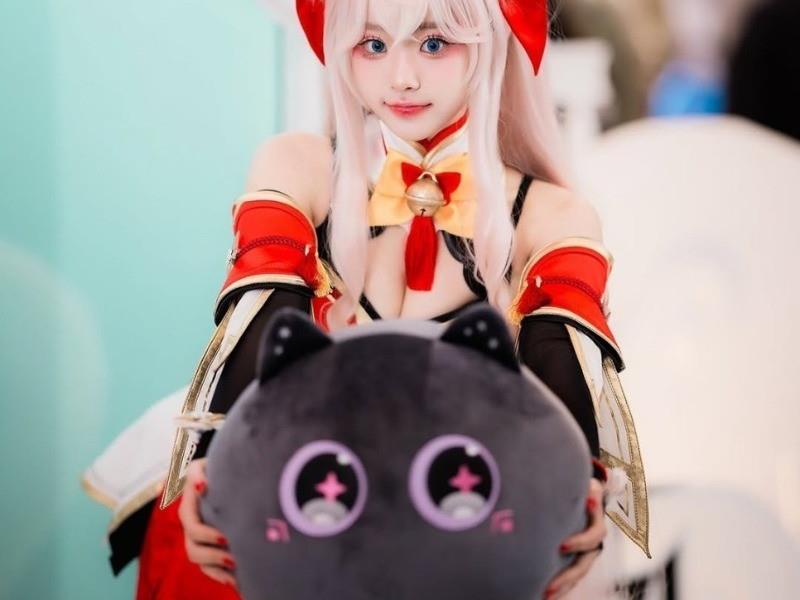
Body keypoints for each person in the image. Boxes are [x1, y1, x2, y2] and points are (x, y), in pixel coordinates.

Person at [85, 1, 649, 599]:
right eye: (373, 45)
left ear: (489, 41)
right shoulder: (300, 166)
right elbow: (256, 360)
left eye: (433, 43)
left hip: (455, 515)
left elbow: (564, 425)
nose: (400, 78)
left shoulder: (552, 216)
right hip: (299, 497)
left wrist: (578, 498)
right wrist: (216, 474)